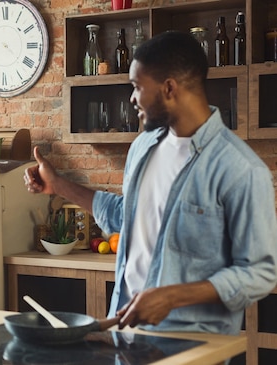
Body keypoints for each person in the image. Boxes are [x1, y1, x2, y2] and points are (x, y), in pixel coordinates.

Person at [24, 31, 277, 335]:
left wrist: (172, 296)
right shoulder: (143, 146)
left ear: (169, 88)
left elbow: (259, 273)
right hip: (125, 332)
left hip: (191, 344)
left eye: (137, 87)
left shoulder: (240, 169)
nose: (132, 98)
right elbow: (129, 216)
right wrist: (58, 184)